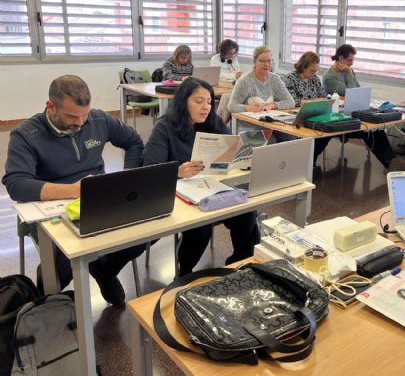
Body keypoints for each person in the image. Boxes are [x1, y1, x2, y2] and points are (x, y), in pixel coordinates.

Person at [2, 75, 147, 306]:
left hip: (99, 201)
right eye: (71, 116)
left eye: (84, 114)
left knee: (140, 238)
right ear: (51, 107)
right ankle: (45, 299)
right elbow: (17, 184)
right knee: (64, 265)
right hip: (50, 211)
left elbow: (134, 142)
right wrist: (74, 190)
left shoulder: (98, 120)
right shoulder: (26, 134)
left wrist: (126, 176)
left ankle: (105, 271)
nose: (80, 123)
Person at [143, 77, 260, 274]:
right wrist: (178, 171)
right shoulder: (164, 127)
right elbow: (150, 169)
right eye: (198, 102)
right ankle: (184, 271)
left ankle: (240, 261)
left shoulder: (213, 122)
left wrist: (243, 159)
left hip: (212, 187)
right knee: (201, 225)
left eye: (208, 102)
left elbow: (232, 150)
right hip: (178, 192)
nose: (205, 107)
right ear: (183, 102)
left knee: (247, 212)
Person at [321, 45, 399, 169]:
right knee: (367, 131)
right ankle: (390, 162)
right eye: (349, 60)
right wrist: (350, 75)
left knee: (375, 129)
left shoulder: (348, 71)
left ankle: (391, 162)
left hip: (353, 111)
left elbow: (358, 91)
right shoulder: (329, 77)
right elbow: (351, 92)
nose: (351, 63)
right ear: (341, 58)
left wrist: (349, 74)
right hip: (339, 117)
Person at [282, 51, 331, 163]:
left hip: (314, 113)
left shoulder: (314, 79)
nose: (314, 73)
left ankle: (311, 159)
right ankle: (305, 161)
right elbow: (292, 101)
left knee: (327, 131)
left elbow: (323, 97)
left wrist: (313, 102)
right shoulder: (290, 78)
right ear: (303, 67)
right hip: (298, 116)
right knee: (314, 132)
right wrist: (313, 101)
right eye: (312, 70)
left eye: (316, 70)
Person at [227, 45, 295, 113]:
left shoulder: (275, 79)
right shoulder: (244, 81)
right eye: (262, 61)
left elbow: (290, 102)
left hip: (267, 119)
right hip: (247, 121)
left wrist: (272, 105)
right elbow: (231, 106)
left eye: (269, 61)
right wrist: (247, 108)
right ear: (254, 62)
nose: (266, 64)